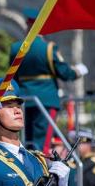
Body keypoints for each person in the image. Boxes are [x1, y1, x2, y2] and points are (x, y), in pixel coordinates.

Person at [11, 8, 88, 153]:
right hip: (46, 99)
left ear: (28, 25)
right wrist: (78, 71)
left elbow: (13, 76)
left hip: (24, 100)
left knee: (27, 140)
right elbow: (65, 73)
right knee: (42, 144)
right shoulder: (48, 48)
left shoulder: (16, 49)